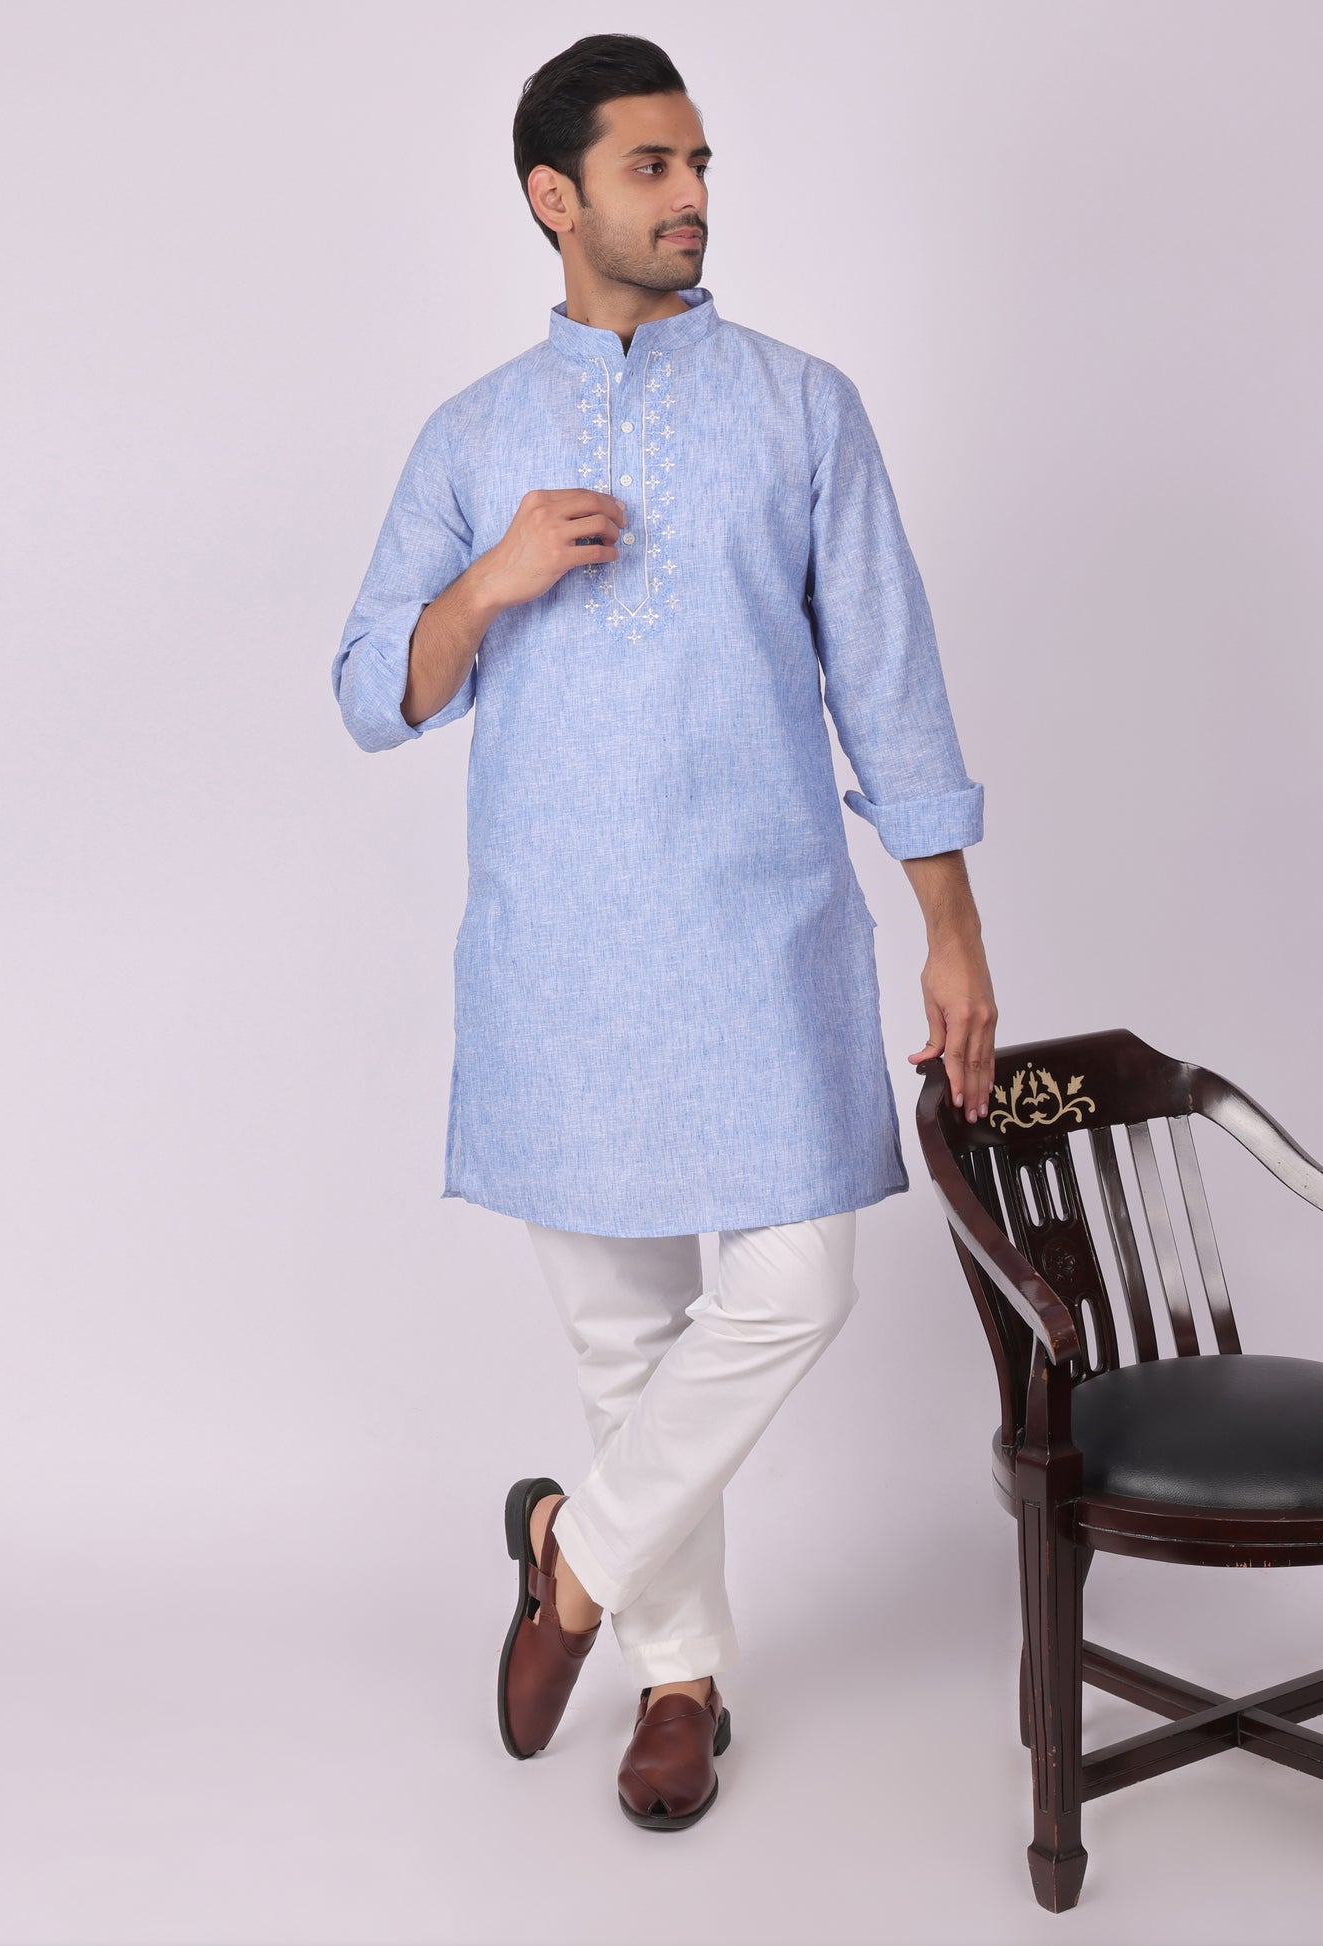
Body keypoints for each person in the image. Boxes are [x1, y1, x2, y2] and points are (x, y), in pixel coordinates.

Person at [331, 33, 998, 1831]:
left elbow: (890, 681)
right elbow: (372, 692)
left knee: (795, 1285)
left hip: (763, 931)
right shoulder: (472, 435)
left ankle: (570, 1561)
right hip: (559, 949)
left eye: (700, 162)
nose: (693, 195)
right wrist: (487, 582)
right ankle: (680, 1678)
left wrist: (950, 932)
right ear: (554, 198)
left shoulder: (801, 408)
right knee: (625, 1344)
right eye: (652, 166)